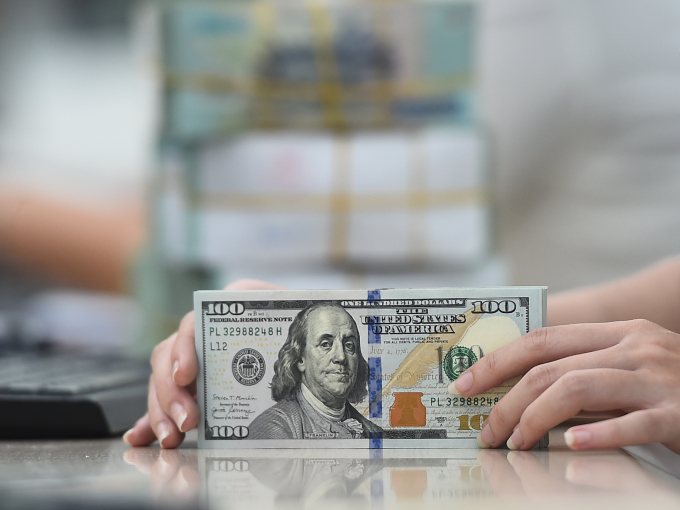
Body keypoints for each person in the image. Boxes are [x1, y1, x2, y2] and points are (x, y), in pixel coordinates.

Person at [124, 256, 680, 451]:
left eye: (349, 341)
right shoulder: (278, 424)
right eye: (324, 341)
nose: (342, 355)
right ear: (295, 360)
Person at [247, 302, 382, 439]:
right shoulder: (273, 429)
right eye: (325, 345)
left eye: (349, 345)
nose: (341, 357)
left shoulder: (375, 434)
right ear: (300, 359)